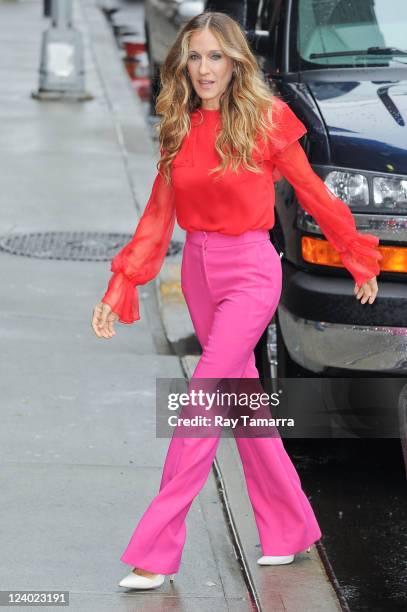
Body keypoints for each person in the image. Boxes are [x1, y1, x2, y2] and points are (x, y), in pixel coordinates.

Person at [91, 11, 382, 590]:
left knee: (200, 399)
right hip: (198, 271)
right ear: (184, 62)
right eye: (195, 56)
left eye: (216, 57)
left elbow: (312, 192)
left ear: (235, 62)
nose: (204, 69)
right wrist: (122, 281)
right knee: (244, 406)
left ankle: (155, 547)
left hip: (250, 271)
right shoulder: (179, 122)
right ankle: (292, 527)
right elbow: (158, 213)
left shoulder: (267, 119)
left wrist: (355, 252)